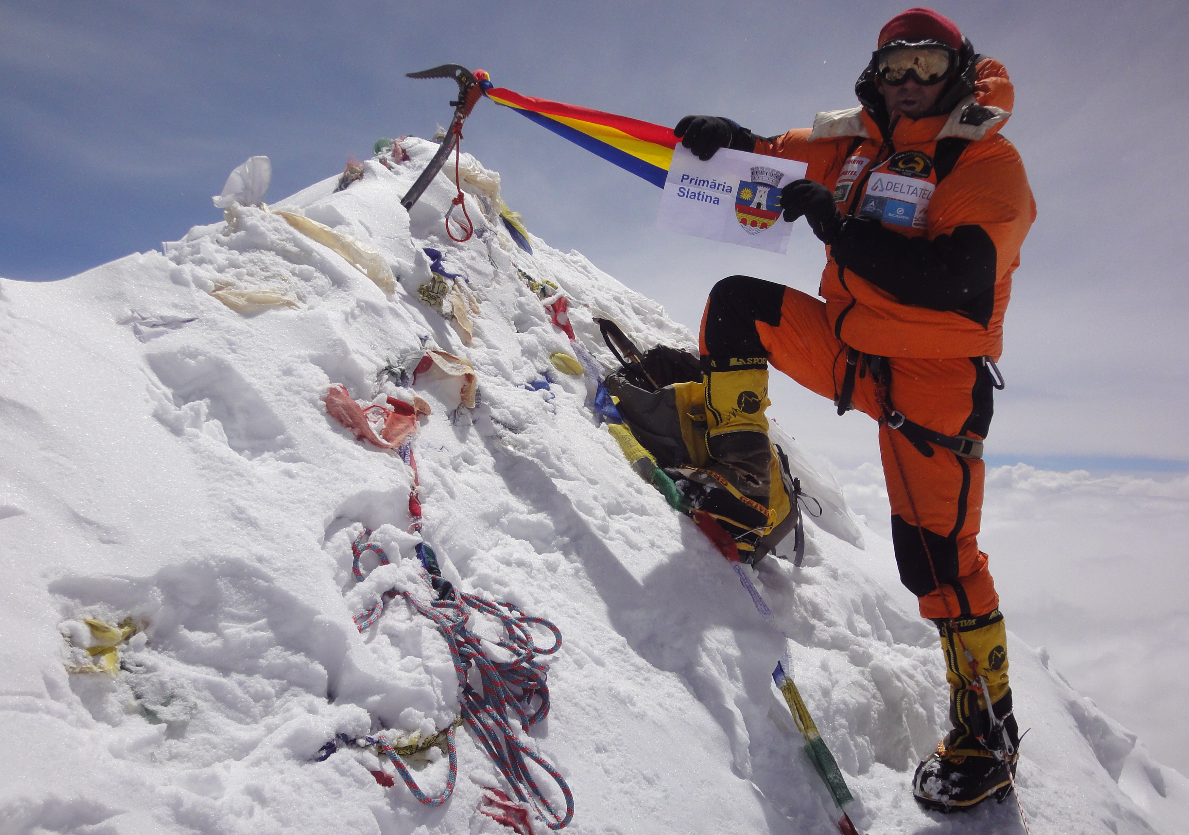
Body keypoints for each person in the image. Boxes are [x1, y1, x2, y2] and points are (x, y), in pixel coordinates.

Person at [673, 7, 1036, 812]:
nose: (908, 81)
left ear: (957, 69)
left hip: (934, 382)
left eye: (926, 64)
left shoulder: (986, 158)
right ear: (876, 72)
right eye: (894, 64)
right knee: (737, 306)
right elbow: (781, 155)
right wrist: (729, 139)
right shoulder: (861, 142)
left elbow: (953, 277)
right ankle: (748, 494)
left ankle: (988, 733)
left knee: (935, 561)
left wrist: (837, 229)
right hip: (852, 349)